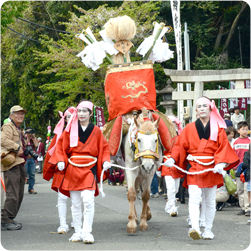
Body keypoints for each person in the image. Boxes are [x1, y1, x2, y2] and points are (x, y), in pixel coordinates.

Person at [165, 97, 239, 240]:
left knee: (210, 200)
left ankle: (208, 229)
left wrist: (221, 163)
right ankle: (195, 227)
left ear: (211, 108)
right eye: (199, 106)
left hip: (212, 167)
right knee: (194, 198)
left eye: (205, 105)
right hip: (195, 167)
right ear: (196, 111)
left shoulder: (218, 128)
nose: (202, 108)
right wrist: (173, 159)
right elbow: (179, 146)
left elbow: (223, 146)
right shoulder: (189, 128)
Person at [49, 100, 111, 243]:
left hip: (89, 168)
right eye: (80, 111)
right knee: (75, 203)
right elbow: (60, 147)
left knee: (88, 201)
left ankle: (87, 232)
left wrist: (105, 160)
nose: (82, 113)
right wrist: (60, 160)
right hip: (72, 168)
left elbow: (104, 147)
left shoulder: (96, 130)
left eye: (85, 111)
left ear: (90, 113)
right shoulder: (70, 129)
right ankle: (77, 232)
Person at [43, 107, 75, 234]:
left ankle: (75, 220)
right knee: (62, 197)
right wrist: (60, 160)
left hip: (76, 168)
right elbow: (54, 150)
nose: (71, 119)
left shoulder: (83, 132)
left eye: (73, 116)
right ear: (65, 119)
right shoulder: (60, 133)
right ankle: (63, 224)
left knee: (76, 197)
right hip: (61, 168)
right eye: (68, 117)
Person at [1, 105, 27, 231]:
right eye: (17, 113)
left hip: (19, 162)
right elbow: (2, 139)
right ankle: (5, 219)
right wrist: (16, 148)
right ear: (11, 115)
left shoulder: (18, 128)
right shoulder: (8, 126)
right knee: (13, 193)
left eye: (22, 114)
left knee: (20, 193)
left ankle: (10, 218)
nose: (20, 116)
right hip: (11, 163)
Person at [158, 115, 184, 216]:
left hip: (177, 165)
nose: (172, 125)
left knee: (176, 188)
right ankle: (172, 208)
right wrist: (159, 168)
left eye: (174, 123)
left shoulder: (181, 137)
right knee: (171, 188)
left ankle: (169, 204)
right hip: (167, 164)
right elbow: (159, 153)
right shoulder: (162, 138)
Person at [232, 121, 251, 216]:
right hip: (237, 169)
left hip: (248, 168)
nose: (245, 131)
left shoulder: (250, 140)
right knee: (239, 189)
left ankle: (248, 209)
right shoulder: (235, 142)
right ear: (238, 130)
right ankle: (242, 208)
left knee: (247, 188)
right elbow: (232, 155)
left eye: (246, 129)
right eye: (243, 129)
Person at [24, 127, 39, 194]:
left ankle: (31, 188)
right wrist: (28, 138)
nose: (30, 134)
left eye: (31, 133)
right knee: (23, 174)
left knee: (32, 174)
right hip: (25, 159)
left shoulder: (34, 138)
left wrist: (33, 138)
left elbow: (36, 145)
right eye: (29, 133)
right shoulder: (24, 138)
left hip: (32, 159)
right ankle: (19, 190)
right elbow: (24, 145)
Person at [240, 143, 250, 223]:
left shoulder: (247, 153)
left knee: (247, 193)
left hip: (249, 176)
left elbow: (245, 164)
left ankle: (246, 208)